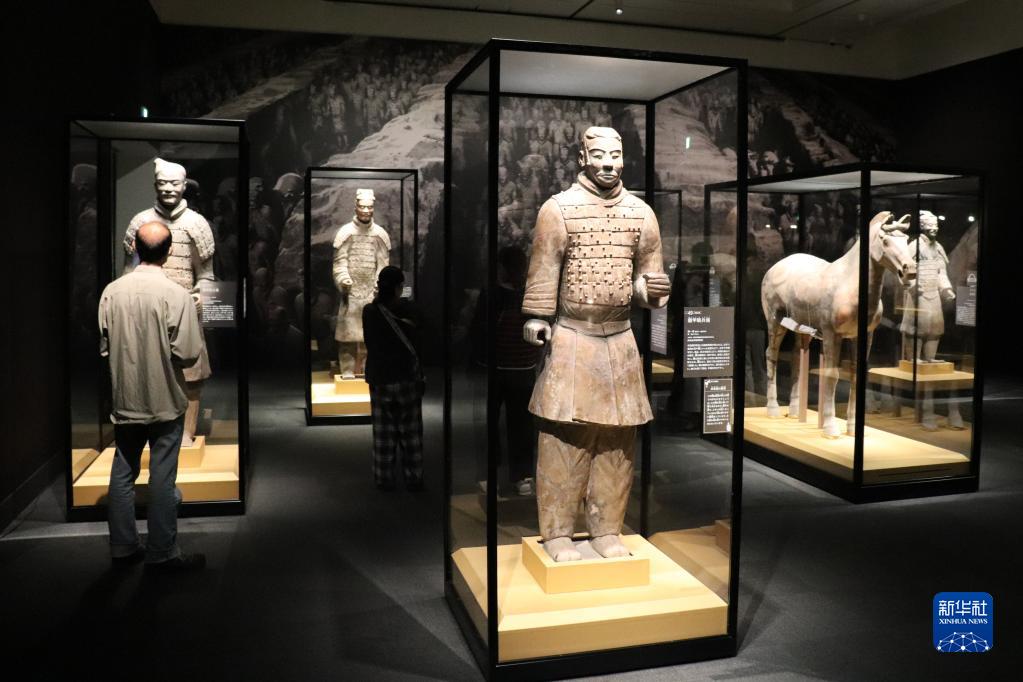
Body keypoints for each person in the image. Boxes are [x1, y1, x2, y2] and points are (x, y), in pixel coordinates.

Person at [98, 221, 206, 571]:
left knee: (123, 470)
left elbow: (104, 348)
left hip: (126, 396)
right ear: (169, 251)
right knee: (162, 476)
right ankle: (162, 552)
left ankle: (122, 546)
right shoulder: (176, 295)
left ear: (134, 248)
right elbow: (187, 353)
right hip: (164, 398)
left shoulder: (111, 292)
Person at [362, 266, 424, 490]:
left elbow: (371, 342)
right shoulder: (410, 311)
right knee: (411, 432)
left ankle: (383, 476)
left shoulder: (370, 311)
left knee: (383, 431)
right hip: (406, 377)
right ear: (399, 288)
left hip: (380, 377)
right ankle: (414, 475)